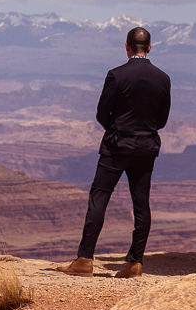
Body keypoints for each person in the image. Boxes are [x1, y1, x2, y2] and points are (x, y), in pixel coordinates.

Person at [60, 26, 170, 278]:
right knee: (141, 203)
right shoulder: (163, 78)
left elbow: (102, 112)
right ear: (150, 47)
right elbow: (162, 119)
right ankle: (135, 263)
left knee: (100, 197)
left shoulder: (117, 75)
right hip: (146, 147)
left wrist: (117, 129)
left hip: (116, 146)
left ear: (127, 47)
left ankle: (85, 259)